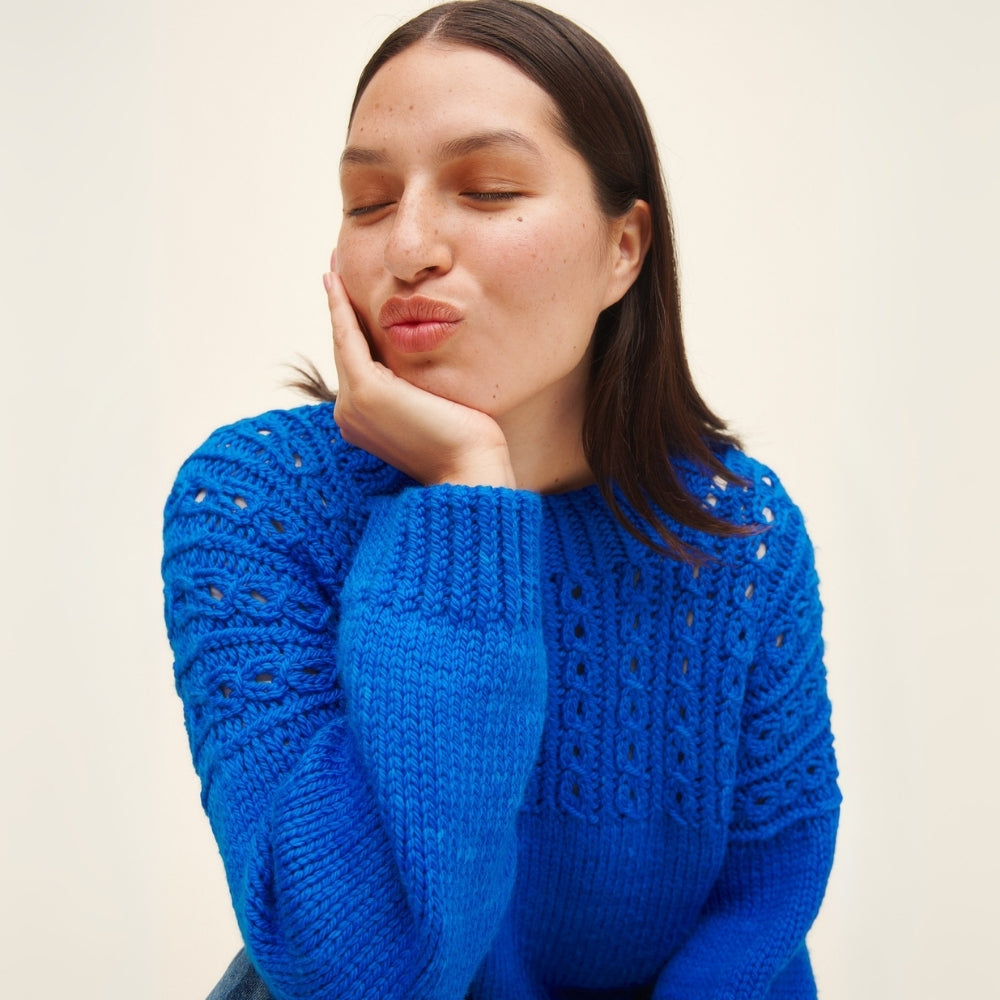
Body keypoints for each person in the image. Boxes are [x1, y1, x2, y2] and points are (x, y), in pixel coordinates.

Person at [161, 2, 840, 998]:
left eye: (486, 189)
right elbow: (360, 971)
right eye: (366, 203)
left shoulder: (740, 537)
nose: (410, 246)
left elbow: (764, 901)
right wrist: (469, 489)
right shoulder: (255, 507)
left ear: (624, 248)